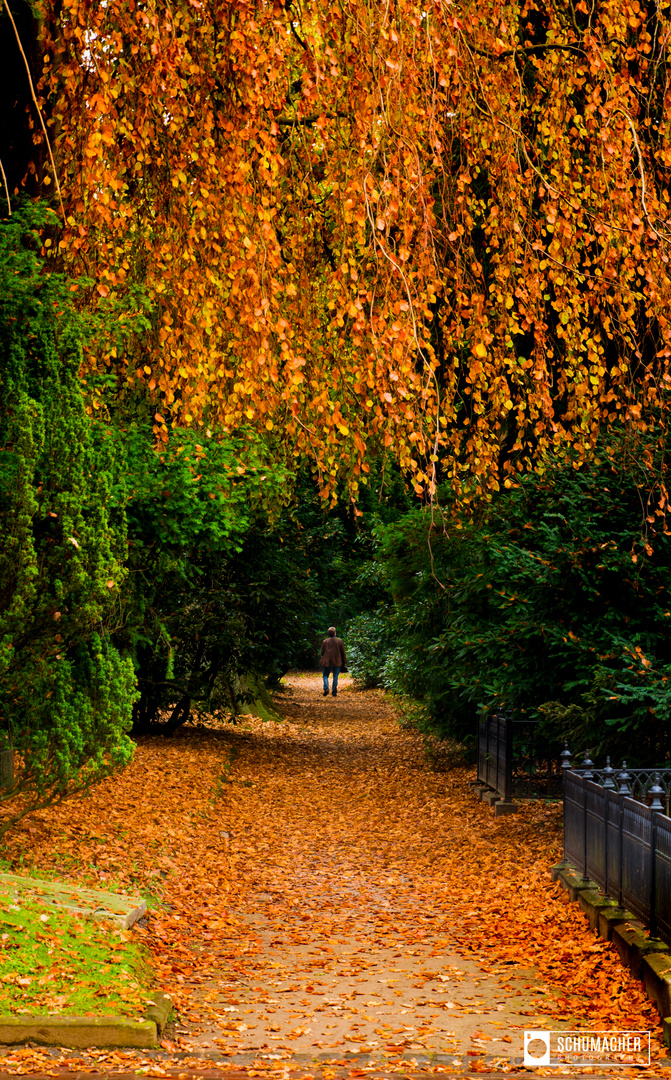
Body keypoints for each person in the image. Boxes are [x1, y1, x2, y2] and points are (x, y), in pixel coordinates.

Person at [320, 626, 347, 697]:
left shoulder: (325, 641)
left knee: (325, 675)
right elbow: (343, 652)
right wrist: (344, 661)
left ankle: (326, 688)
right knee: (335, 676)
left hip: (327, 662)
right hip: (337, 661)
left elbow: (322, 652)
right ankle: (334, 692)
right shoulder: (339, 641)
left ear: (328, 634)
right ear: (335, 633)